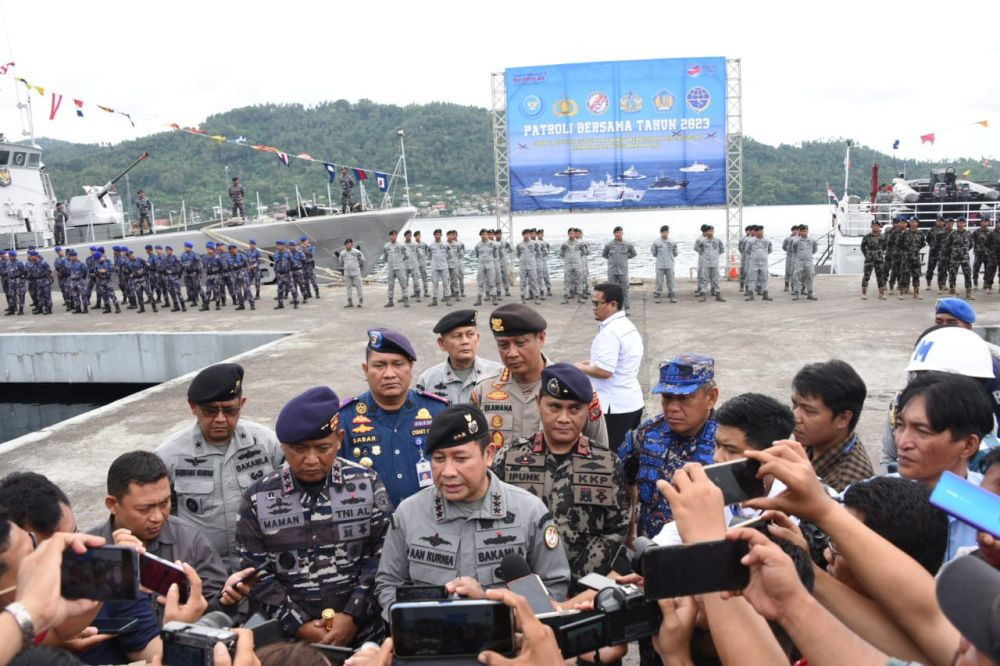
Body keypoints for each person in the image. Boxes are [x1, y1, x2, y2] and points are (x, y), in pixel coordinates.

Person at [374, 403, 571, 615]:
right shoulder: (409, 514)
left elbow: (553, 589)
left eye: (460, 458)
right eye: (439, 459)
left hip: (510, 643)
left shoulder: (529, 512)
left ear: (488, 455)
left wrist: (488, 603)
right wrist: (417, 626)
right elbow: (388, 586)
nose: (448, 472)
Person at [237, 386, 390, 646]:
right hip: (289, 643)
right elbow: (255, 572)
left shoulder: (367, 484)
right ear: (283, 446)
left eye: (322, 448)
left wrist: (352, 615)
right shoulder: (258, 498)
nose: (311, 459)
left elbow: (384, 556)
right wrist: (298, 625)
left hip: (362, 637)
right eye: (299, 449)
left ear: (340, 439)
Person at [492, 364, 628, 586]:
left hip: (585, 589)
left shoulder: (607, 463)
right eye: (554, 407)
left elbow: (616, 529)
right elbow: (493, 523)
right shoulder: (508, 458)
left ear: (587, 410)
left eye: (574, 409)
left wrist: (577, 581)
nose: (564, 418)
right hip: (522, 584)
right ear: (538, 403)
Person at [156, 363, 283, 569]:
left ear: (242, 403)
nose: (221, 419)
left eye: (231, 410)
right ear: (192, 406)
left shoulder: (267, 444)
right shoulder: (169, 455)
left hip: (260, 565)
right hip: (201, 568)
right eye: (210, 411)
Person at [87, 452, 227, 612]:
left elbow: (217, 607)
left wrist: (224, 602)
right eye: (145, 508)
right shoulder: (86, 551)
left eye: (165, 503)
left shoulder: (191, 540)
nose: (158, 517)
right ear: (112, 504)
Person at [652, 392, 795, 547]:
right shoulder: (719, 486)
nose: (716, 458)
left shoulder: (798, 508)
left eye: (731, 450)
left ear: (770, 454)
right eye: (717, 445)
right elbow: (673, 534)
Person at [471, 304, 609, 449]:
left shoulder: (576, 387)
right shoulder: (484, 390)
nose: (512, 353)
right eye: (503, 345)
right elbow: (473, 448)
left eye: (520, 343)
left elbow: (600, 451)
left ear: (541, 338)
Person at [338, 328, 449, 507]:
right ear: (366, 370)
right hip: (371, 525)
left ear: (411, 367)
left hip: (429, 523)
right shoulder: (345, 418)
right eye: (379, 366)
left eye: (398, 364)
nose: (389, 374)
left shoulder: (437, 411)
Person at [894, 372, 993, 560]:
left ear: (968, 445)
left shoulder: (990, 508)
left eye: (922, 431)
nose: (902, 442)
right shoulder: (871, 498)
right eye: (900, 425)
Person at [618, 355, 717, 539]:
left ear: (711, 397)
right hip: (651, 551)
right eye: (667, 397)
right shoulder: (646, 434)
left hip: (703, 553)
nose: (672, 407)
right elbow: (623, 480)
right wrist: (630, 532)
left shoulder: (726, 444)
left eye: (684, 398)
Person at [575, 282, 644, 452]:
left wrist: (579, 367)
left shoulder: (610, 332)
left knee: (607, 456)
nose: (593, 308)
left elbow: (605, 371)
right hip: (630, 401)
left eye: (597, 303)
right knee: (627, 454)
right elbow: (616, 361)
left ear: (613, 304)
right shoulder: (625, 326)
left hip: (614, 406)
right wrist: (590, 363)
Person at [790, 360, 873, 491]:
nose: (795, 417)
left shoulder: (846, 484)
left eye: (809, 411)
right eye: (795, 405)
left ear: (843, 419)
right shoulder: (815, 441)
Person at [416, 309, 502, 404]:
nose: (465, 341)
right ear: (442, 343)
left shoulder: (498, 374)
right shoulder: (428, 380)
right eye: (457, 336)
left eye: (470, 334)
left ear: (477, 339)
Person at [602, 226, 636, 312]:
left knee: (625, 289)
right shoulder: (609, 244)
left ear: (622, 233)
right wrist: (612, 260)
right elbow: (604, 254)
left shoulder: (627, 244)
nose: (618, 234)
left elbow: (634, 253)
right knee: (612, 290)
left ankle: (626, 307)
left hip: (623, 270)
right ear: (614, 234)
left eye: (620, 232)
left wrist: (624, 258)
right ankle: (613, 308)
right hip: (612, 270)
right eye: (616, 232)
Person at [694, 224, 725, 302]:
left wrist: (715, 256)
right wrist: (705, 257)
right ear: (706, 232)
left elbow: (722, 250)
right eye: (708, 231)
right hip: (706, 263)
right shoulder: (702, 241)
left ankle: (718, 294)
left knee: (716, 279)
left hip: (715, 263)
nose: (710, 232)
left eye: (711, 231)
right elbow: (699, 250)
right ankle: (703, 295)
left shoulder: (718, 241)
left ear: (714, 231)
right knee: (704, 279)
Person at [380, 230, 409, 308]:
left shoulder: (401, 246)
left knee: (403, 284)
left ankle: (406, 300)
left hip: (399, 268)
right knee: (390, 285)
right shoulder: (386, 246)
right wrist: (389, 263)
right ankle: (390, 301)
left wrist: (400, 261)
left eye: (395, 235)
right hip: (391, 268)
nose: (393, 237)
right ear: (389, 236)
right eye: (392, 235)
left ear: (396, 236)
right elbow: (384, 258)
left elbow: (407, 255)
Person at [650, 224, 678, 304]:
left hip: (670, 264)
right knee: (659, 281)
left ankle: (672, 295)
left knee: (671, 280)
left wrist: (670, 258)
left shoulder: (672, 242)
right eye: (663, 232)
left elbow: (675, 253)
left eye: (666, 232)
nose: (665, 233)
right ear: (661, 233)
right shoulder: (656, 242)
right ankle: (658, 295)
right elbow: (654, 253)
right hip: (660, 265)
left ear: (668, 232)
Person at [745, 225, 773, 301]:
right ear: (755, 232)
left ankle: (765, 294)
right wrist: (755, 256)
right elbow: (747, 251)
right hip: (754, 263)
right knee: (752, 279)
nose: (761, 232)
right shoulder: (751, 241)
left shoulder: (767, 240)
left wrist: (763, 255)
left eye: (762, 230)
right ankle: (751, 295)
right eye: (759, 231)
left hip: (764, 263)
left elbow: (770, 250)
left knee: (764, 279)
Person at [860, 220, 887, 300]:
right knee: (866, 276)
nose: (876, 227)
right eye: (874, 225)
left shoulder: (882, 236)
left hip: (879, 259)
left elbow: (885, 246)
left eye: (877, 225)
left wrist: (880, 252)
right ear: (871, 226)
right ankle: (864, 293)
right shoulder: (867, 236)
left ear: (879, 227)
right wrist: (867, 255)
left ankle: (881, 294)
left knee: (880, 276)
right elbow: (862, 247)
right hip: (869, 260)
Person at [949, 217, 975, 299]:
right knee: (953, 274)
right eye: (959, 222)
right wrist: (954, 251)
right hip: (955, 258)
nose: (961, 224)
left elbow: (971, 245)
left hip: (965, 258)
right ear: (957, 223)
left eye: (963, 222)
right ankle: (952, 290)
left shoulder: (968, 233)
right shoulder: (953, 234)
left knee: (967, 274)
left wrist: (964, 251)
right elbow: (947, 245)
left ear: (965, 224)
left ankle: (968, 293)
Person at [791, 224, 818, 301]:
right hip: (799, 261)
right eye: (802, 231)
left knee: (810, 277)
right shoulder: (796, 241)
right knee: (796, 277)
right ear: (800, 232)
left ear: (808, 231)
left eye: (805, 231)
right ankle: (796, 294)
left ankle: (810, 293)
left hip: (809, 262)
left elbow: (814, 250)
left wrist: (808, 256)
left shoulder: (812, 241)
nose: (804, 233)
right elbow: (794, 250)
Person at [901, 218, 925, 300]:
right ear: (909, 223)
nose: (913, 223)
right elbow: (899, 244)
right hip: (906, 257)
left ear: (917, 223)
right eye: (912, 222)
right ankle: (902, 292)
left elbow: (923, 244)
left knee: (916, 275)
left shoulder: (921, 233)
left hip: (916, 257)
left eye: (915, 222)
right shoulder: (905, 233)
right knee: (904, 274)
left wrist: (915, 249)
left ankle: (916, 293)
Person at [560, 227, 586, 304]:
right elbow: (561, 254)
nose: (571, 234)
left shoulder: (580, 243)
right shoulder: (564, 244)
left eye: (573, 233)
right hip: (568, 265)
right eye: (570, 233)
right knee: (567, 281)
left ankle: (580, 297)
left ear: (575, 234)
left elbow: (584, 253)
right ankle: (566, 297)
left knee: (579, 281)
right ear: (568, 234)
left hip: (577, 264)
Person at [473, 228, 498, 306]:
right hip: (481, 264)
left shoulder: (493, 244)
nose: (484, 236)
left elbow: (496, 255)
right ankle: (479, 299)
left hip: (490, 264)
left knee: (492, 282)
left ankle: (494, 299)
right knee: (480, 282)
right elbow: (477, 255)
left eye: (485, 234)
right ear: (480, 235)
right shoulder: (477, 245)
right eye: (482, 234)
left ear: (487, 235)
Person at [426, 229, 451, 307]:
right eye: (436, 234)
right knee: (435, 284)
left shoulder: (445, 245)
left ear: (441, 235)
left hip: (443, 266)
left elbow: (449, 255)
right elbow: (429, 255)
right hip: (435, 267)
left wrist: (443, 260)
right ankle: (434, 300)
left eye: (439, 234)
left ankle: (447, 300)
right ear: (434, 236)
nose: (437, 236)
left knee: (446, 283)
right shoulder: (431, 245)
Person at [516, 228, 540, 305]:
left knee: (534, 282)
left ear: (529, 235)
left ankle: (536, 298)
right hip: (523, 266)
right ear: (522, 235)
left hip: (532, 265)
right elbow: (518, 254)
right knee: (523, 283)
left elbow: (538, 252)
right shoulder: (519, 244)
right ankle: (523, 298)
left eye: (527, 234)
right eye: (525, 234)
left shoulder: (534, 243)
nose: (526, 236)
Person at [339, 238, 365, 308]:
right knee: (348, 287)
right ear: (345, 245)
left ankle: (360, 301)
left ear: (351, 244)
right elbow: (340, 262)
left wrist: (357, 266)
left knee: (359, 287)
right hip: (347, 273)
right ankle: (350, 302)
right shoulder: (342, 253)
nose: (348, 245)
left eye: (349, 244)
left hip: (356, 272)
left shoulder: (357, 252)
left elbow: (362, 260)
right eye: (347, 244)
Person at [271, 241, 297, 310]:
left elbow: (293, 263)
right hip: (280, 275)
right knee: (280, 290)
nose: (278, 247)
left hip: (287, 274)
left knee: (292, 289)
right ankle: (280, 304)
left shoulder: (288, 253)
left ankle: (295, 302)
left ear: (283, 246)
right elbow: (275, 264)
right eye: (277, 245)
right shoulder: (276, 254)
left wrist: (288, 269)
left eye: (280, 245)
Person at [26, 251, 52, 316]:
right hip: (37, 281)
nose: (30, 257)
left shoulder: (43, 263)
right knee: (40, 295)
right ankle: (41, 308)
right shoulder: (33, 264)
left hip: (44, 281)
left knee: (47, 295)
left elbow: (49, 271)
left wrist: (45, 277)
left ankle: (48, 309)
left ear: (36, 256)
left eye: (31, 256)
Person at [924, 217, 947, 288]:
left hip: (943, 253)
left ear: (944, 222)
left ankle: (942, 284)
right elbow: (927, 239)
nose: (940, 223)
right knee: (930, 268)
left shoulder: (946, 231)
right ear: (936, 222)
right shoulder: (931, 230)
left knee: (943, 269)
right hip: (933, 252)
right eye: (938, 221)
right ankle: (929, 284)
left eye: (942, 221)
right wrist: (932, 245)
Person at [402, 230, 422, 303]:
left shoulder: (415, 244)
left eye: (410, 235)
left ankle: (418, 296)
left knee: (416, 281)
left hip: (414, 266)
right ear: (405, 236)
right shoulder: (401, 245)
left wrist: (415, 261)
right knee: (404, 282)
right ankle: (404, 296)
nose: (409, 236)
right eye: (407, 235)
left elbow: (420, 255)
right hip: (405, 266)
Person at [973, 218, 991, 289]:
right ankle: (975, 283)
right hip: (978, 253)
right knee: (976, 268)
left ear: (988, 223)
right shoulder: (976, 232)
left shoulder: (991, 232)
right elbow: (971, 240)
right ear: (981, 223)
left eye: (986, 222)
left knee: (987, 269)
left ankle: (985, 283)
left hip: (987, 254)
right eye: (983, 222)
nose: (985, 223)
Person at [447, 230, 466, 299]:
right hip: (450, 263)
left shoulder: (460, 244)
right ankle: (453, 292)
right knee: (451, 278)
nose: (453, 236)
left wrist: (457, 258)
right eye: (452, 235)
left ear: (457, 235)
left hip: (459, 262)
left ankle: (462, 291)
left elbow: (462, 253)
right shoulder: (447, 244)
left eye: (455, 235)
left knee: (460, 277)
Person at [413, 230, 430, 299]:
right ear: (414, 237)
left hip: (423, 262)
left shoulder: (424, 244)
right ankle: (415, 292)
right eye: (416, 236)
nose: (418, 237)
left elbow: (427, 252)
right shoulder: (413, 244)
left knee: (424, 277)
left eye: (419, 235)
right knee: (415, 278)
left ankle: (426, 291)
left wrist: (425, 258)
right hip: (415, 263)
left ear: (420, 236)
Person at [495, 229, 511, 298]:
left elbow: (510, 249)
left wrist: (505, 253)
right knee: (496, 277)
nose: (498, 235)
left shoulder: (505, 242)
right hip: (495, 260)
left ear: (501, 234)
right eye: (497, 234)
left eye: (499, 234)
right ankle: (497, 291)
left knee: (505, 276)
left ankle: (507, 290)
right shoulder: (493, 242)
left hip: (503, 260)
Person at [536, 228, 552, 296]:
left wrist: (544, 257)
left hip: (544, 260)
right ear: (537, 235)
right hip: (537, 260)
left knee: (546, 275)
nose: (540, 235)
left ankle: (548, 289)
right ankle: (540, 289)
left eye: (541, 234)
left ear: (543, 235)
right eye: (539, 234)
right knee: (539, 276)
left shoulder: (546, 243)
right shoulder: (535, 243)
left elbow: (548, 251)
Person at [782, 224, 798, 292]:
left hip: (796, 256)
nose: (795, 231)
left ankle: (794, 285)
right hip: (789, 256)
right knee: (788, 270)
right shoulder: (787, 239)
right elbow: (783, 247)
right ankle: (786, 284)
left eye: (797, 230)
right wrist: (788, 250)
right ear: (792, 231)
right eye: (794, 230)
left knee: (795, 271)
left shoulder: (798, 239)